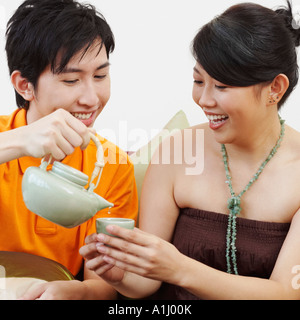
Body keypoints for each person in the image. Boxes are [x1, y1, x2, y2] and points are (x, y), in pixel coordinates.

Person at [80, 1, 300, 299]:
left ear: (275, 88)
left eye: (221, 87)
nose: (204, 100)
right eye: (198, 81)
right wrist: (120, 274)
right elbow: (146, 283)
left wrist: (179, 268)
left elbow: (285, 293)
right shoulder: (177, 149)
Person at [0, 0, 138, 300]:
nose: (92, 98)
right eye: (71, 80)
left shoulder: (111, 165)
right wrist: (18, 142)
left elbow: (101, 283)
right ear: (25, 85)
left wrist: (74, 292)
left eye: (100, 76)